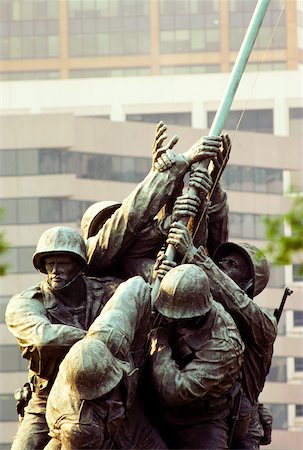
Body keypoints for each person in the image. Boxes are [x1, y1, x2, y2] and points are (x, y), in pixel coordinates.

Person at [5, 226, 122, 450]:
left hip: (101, 393)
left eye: (63, 263)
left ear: (78, 265)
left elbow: (137, 304)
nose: (55, 270)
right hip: (46, 397)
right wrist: (92, 340)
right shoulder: (28, 302)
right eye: (50, 264)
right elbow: (41, 337)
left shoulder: (106, 291)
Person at [165, 221, 278, 448]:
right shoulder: (204, 307)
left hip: (240, 428)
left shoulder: (262, 322)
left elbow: (235, 301)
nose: (222, 265)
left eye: (232, 264)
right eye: (222, 261)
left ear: (246, 285)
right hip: (195, 412)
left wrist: (196, 257)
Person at [81, 122, 231, 281]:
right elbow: (128, 219)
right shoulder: (92, 257)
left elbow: (202, 254)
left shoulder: (144, 260)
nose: (121, 234)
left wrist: (205, 189)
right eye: (106, 226)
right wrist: (172, 169)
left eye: (113, 220)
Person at [44, 275, 167, 450]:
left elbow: (136, 287)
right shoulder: (75, 423)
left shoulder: (112, 334)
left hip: (128, 412)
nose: (100, 396)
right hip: (101, 429)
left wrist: (142, 337)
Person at [149, 263, 245, 449]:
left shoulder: (223, 344)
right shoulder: (185, 302)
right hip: (156, 399)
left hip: (201, 419)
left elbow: (175, 391)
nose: (171, 320)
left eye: (178, 317)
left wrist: (159, 343)